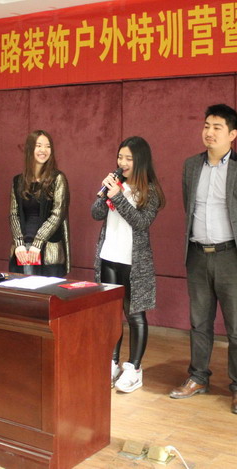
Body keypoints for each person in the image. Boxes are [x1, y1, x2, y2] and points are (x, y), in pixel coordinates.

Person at [170, 104, 237, 415]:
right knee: (199, 322)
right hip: (197, 255)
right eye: (206, 126)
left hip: (232, 258)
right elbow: (189, 207)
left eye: (217, 127)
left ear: (233, 134)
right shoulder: (191, 166)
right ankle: (198, 377)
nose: (209, 132)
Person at [92, 136, 165, 393]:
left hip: (134, 263)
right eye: (120, 157)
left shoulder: (150, 191)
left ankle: (133, 368)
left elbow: (141, 222)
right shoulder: (115, 183)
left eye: (128, 159)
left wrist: (118, 197)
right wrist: (105, 192)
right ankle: (111, 362)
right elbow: (95, 213)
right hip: (108, 257)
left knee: (134, 314)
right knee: (111, 315)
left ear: (140, 161)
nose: (122, 162)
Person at [8, 130, 70, 277]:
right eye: (39, 145)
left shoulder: (57, 178)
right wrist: (19, 243)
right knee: (22, 288)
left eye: (48, 146)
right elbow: (13, 214)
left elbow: (58, 214)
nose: (44, 150)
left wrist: (37, 243)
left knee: (47, 289)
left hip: (47, 247)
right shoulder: (18, 180)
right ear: (30, 149)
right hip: (24, 248)